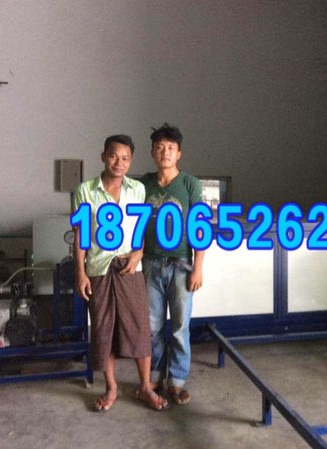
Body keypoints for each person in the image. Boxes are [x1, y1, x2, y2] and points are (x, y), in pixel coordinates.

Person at [73, 134, 168, 411]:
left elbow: (140, 229)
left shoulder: (137, 189)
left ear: (131, 161)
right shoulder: (85, 190)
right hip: (99, 268)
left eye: (125, 158)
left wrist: (139, 252)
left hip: (129, 269)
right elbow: (81, 234)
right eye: (114, 156)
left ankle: (145, 386)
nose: (119, 162)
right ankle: (111, 387)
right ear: (103, 156)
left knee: (139, 327)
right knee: (104, 329)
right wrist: (81, 273)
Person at [141, 123, 205, 405]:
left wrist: (198, 267)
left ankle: (177, 381)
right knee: (152, 326)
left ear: (179, 153)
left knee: (180, 326)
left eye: (170, 148)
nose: (165, 152)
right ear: (152, 152)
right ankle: (154, 376)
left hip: (181, 265)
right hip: (150, 264)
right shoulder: (143, 184)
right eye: (160, 147)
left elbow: (199, 228)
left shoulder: (190, 184)